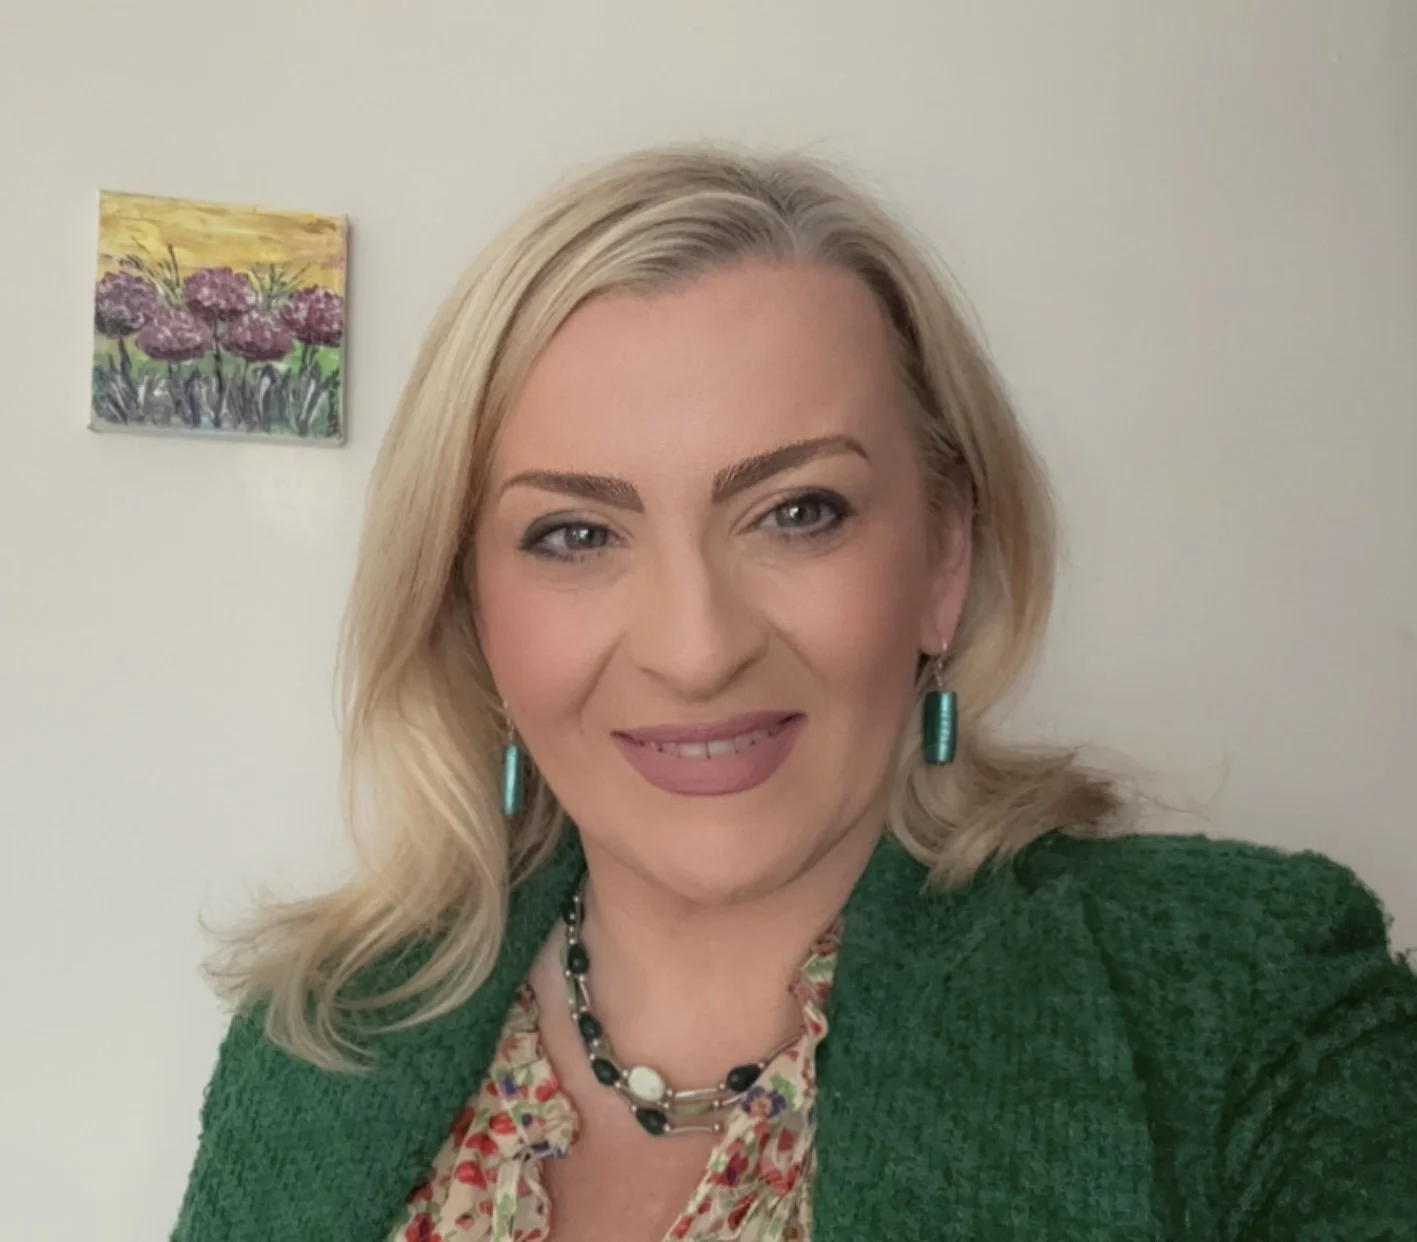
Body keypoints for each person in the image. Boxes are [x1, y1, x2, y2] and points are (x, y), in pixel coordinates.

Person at [172, 145, 1417, 1242]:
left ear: (942, 563)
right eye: (572, 535)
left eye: (797, 512)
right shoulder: (316, 1041)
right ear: (470, 612)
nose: (695, 648)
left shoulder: (1257, 1011)